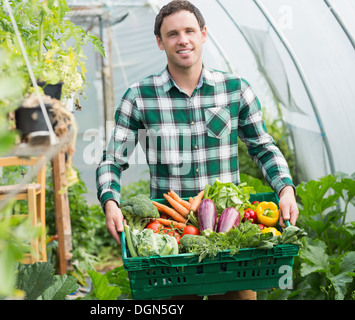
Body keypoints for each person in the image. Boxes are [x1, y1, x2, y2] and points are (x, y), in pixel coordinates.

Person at [95, 0, 299, 300]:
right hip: (172, 235)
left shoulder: (234, 89)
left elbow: (263, 148)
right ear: (160, 42)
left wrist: (285, 190)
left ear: (204, 33)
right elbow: (112, 160)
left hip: (232, 233)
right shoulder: (139, 98)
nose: (183, 40)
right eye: (173, 34)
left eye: (189, 31)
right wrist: (110, 202)